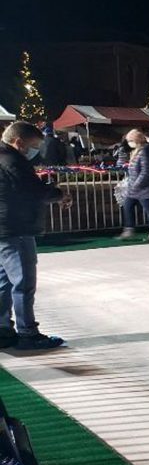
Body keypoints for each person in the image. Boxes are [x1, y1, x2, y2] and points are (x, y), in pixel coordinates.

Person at [0, 121, 71, 349]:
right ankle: (28, 333)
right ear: (18, 142)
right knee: (23, 281)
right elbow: (32, 191)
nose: (35, 151)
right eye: (33, 146)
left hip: (5, 228)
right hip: (16, 227)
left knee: (4, 282)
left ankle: (3, 330)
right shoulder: (12, 160)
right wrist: (59, 194)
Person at [119, 129, 149, 242]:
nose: (129, 143)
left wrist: (137, 184)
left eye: (130, 140)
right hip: (135, 188)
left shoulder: (145, 151)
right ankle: (129, 229)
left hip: (146, 188)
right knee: (127, 206)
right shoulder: (137, 151)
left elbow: (146, 171)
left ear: (136, 140)